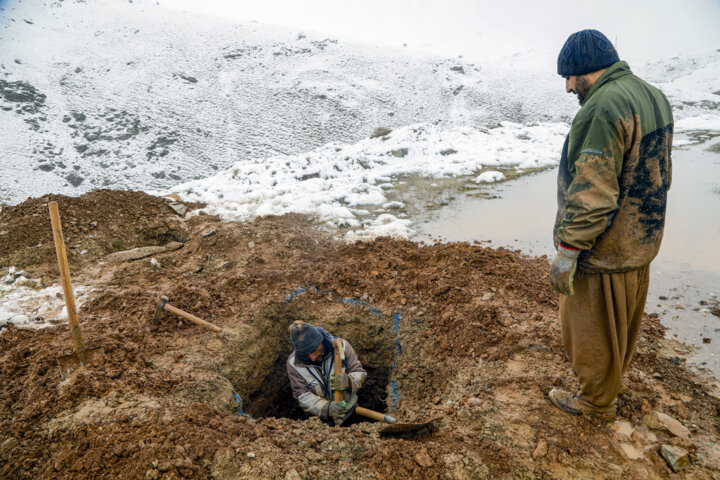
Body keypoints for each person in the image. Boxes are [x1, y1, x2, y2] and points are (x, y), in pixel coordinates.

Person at [548, 29, 673, 420]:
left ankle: (594, 403)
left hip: (604, 246)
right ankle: (609, 385)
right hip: (641, 240)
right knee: (622, 324)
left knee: (588, 327)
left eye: (572, 76)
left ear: (590, 69)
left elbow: (594, 191)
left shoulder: (603, 107)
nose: (569, 87)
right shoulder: (651, 94)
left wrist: (569, 250)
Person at [286, 321, 367, 425]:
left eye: (315, 350)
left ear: (321, 341)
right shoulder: (293, 364)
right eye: (306, 355)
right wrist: (327, 408)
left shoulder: (343, 347)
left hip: (349, 415)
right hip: (319, 423)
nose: (313, 357)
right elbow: (302, 395)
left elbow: (360, 373)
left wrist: (349, 382)